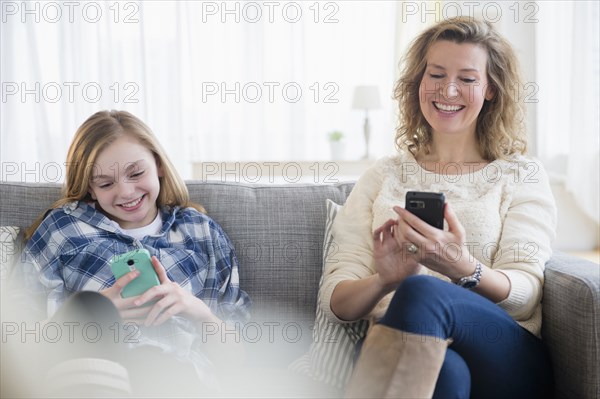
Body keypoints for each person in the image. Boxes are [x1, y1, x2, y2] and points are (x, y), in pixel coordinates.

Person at [320, 17, 556, 399]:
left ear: (491, 89)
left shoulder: (521, 174)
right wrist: (385, 280)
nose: (448, 89)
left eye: (467, 78)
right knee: (443, 373)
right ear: (418, 83)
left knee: (421, 291)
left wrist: (462, 267)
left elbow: (526, 292)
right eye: (436, 74)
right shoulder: (383, 176)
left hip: (503, 353)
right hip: (403, 353)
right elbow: (337, 303)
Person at [13, 110, 251, 397]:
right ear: (89, 186)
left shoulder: (201, 231)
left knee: (159, 369)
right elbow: (16, 341)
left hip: (178, 379)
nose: (126, 192)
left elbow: (240, 359)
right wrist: (93, 314)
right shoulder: (62, 229)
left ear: (159, 165)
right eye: (105, 183)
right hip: (92, 374)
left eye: (136, 173)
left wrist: (197, 311)